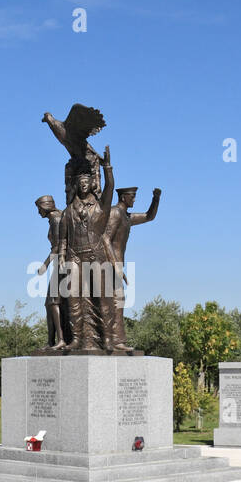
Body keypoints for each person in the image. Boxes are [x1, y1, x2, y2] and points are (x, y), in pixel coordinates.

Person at [57, 150, 116, 350]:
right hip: (74, 257)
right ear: (76, 185)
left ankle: (107, 338)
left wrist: (107, 167)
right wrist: (63, 260)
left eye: (86, 182)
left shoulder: (100, 207)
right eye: (80, 182)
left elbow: (109, 188)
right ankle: (77, 339)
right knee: (73, 299)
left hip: (96, 256)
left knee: (103, 297)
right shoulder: (67, 212)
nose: (83, 185)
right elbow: (63, 239)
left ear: (91, 184)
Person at [102, 186, 161, 351]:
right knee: (115, 301)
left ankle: (117, 340)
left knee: (118, 301)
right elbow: (105, 238)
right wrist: (115, 266)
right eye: (132, 197)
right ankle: (115, 340)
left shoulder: (126, 216)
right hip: (110, 265)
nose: (134, 200)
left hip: (118, 265)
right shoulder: (114, 213)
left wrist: (156, 199)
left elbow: (149, 217)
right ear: (123, 198)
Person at [34, 195, 68, 349]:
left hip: (63, 265)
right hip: (62, 265)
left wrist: (45, 265)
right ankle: (51, 341)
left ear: (46, 206)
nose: (38, 212)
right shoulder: (56, 218)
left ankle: (59, 340)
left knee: (53, 302)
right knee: (50, 303)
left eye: (39, 208)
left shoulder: (55, 219)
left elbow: (57, 246)